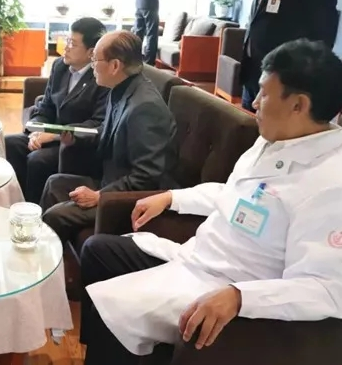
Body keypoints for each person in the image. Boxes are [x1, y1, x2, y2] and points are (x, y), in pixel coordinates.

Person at [80, 38, 342, 365]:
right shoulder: (275, 140)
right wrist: (172, 197)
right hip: (198, 257)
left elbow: (327, 289)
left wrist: (240, 297)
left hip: (228, 286)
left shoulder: (330, 183)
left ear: (298, 105)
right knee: (99, 251)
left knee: (112, 311)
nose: (254, 103)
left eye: (264, 94)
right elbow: (234, 193)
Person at [40, 30, 177, 246]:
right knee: (54, 183)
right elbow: (107, 130)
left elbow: (147, 176)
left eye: (95, 59)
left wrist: (100, 196)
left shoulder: (145, 108)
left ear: (115, 66)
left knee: (54, 216)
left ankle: (50, 261)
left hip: (126, 199)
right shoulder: (120, 87)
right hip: (109, 180)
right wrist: (76, 137)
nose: (92, 65)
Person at [4, 17, 110, 204]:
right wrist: (36, 129)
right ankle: (14, 202)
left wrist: (54, 134)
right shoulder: (60, 66)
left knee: (37, 160)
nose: (66, 47)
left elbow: (96, 124)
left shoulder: (101, 77)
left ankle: (34, 210)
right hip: (48, 135)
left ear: (91, 52)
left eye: (73, 44)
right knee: (10, 143)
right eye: (67, 40)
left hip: (74, 145)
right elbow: (46, 105)